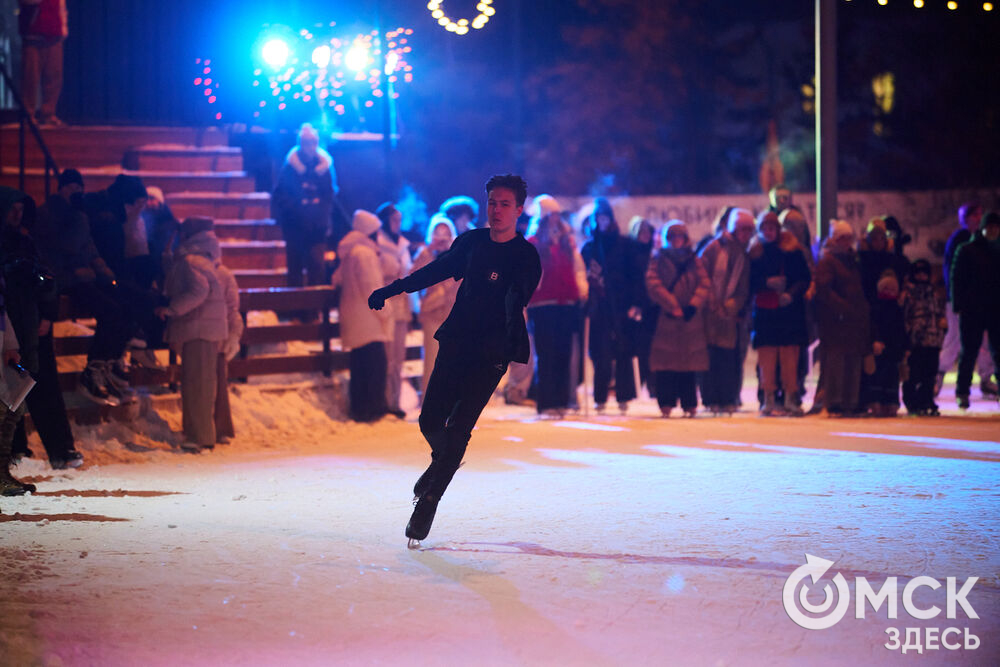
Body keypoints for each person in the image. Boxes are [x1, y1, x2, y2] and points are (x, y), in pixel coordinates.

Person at [368, 174, 541, 546]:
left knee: (460, 426)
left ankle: (428, 503)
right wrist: (394, 289)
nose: (496, 210)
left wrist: (511, 309)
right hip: (457, 342)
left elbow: (519, 296)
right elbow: (435, 271)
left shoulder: (525, 256)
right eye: (492, 202)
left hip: (492, 353)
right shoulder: (472, 243)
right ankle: (440, 466)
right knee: (430, 419)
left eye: (505, 204)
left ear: (519, 210)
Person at [32, 169, 134, 405]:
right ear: (62, 188)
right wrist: (79, 220)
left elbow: (89, 250)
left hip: (83, 277)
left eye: (80, 188)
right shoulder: (48, 214)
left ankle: (110, 362)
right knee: (109, 310)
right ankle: (92, 371)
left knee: (125, 302)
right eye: (72, 188)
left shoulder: (79, 215)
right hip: (64, 280)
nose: (77, 192)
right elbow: (63, 249)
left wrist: (107, 274)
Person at [0, 186, 81, 470]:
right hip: (8, 328)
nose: (16, 216)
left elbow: (48, 281)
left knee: (42, 386)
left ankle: (61, 450)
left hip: (33, 327)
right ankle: (15, 452)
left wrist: (47, 312)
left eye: (21, 211)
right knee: (10, 392)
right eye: (12, 209)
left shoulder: (27, 243)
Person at [155, 218, 229, 452]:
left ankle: (199, 437)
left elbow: (199, 291)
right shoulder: (201, 260)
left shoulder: (191, 261)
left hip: (199, 329)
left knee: (198, 384)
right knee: (201, 384)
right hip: (204, 329)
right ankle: (199, 434)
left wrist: (171, 309)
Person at [581, 197, 644, 414]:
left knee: (623, 352)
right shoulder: (590, 247)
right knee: (601, 354)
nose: (602, 221)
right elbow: (584, 276)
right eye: (599, 218)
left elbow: (635, 275)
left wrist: (635, 302)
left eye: (605, 217)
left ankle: (624, 396)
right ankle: (600, 398)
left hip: (622, 305)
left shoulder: (624, 244)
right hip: (599, 308)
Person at [526, 195, 587, 417]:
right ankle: (546, 402)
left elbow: (577, 267)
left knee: (563, 352)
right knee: (546, 353)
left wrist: (581, 289)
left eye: (556, 215)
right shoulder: (532, 242)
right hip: (542, 303)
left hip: (567, 302)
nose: (554, 220)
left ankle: (562, 400)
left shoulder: (567, 241)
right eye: (550, 216)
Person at [748, 211, 810, 416]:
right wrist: (766, 283)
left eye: (772, 228)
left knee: (789, 359)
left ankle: (791, 397)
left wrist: (791, 294)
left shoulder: (792, 251)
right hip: (766, 313)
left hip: (788, 313)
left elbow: (803, 278)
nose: (769, 232)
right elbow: (749, 282)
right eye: (765, 228)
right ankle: (769, 397)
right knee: (767, 360)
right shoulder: (755, 253)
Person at [646, 220, 710, 418]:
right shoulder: (658, 259)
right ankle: (666, 402)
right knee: (666, 365)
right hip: (668, 319)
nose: (677, 241)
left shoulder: (694, 260)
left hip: (689, 321)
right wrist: (672, 305)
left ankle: (689, 403)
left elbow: (704, 283)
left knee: (688, 365)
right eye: (673, 237)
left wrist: (693, 305)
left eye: (680, 237)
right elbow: (653, 283)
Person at [335, 210, 392, 422]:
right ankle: (374, 408)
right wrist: (386, 311)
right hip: (369, 321)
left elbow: (337, 279)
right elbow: (372, 286)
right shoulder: (364, 254)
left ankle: (360, 408)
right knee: (375, 365)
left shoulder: (352, 252)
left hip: (355, 318)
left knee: (360, 366)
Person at [698, 208, 753, 414]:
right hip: (709, 313)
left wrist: (730, 306)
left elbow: (744, 287)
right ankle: (710, 398)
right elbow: (703, 275)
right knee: (710, 357)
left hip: (729, 315)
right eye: (742, 229)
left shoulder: (744, 254)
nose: (746, 234)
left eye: (749, 230)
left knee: (728, 358)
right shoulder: (714, 247)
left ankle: (727, 397)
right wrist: (712, 302)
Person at [812, 221, 870, 416]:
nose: (846, 242)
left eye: (848, 238)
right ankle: (834, 400)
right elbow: (824, 290)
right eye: (842, 238)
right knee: (836, 361)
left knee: (852, 360)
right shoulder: (828, 261)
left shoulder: (852, 261)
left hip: (852, 320)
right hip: (835, 321)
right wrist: (843, 308)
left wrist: (859, 310)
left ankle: (850, 401)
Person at [938, 202, 996, 397]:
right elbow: (952, 272)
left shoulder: (985, 243)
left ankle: (986, 377)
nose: (978, 220)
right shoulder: (960, 240)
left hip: (981, 303)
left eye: (980, 215)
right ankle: (939, 374)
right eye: (975, 216)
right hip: (962, 302)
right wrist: (956, 299)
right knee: (955, 339)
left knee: (984, 343)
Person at [272, 124, 336, 290]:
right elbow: (281, 195)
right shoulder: (290, 168)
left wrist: (319, 216)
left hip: (317, 229)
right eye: (306, 142)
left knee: (317, 268)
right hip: (295, 227)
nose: (310, 146)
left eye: (313, 142)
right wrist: (298, 210)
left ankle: (313, 312)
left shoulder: (324, 168)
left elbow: (328, 196)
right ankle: (297, 311)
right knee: (295, 269)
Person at [950, 211, 1000, 409]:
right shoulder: (967, 249)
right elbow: (956, 278)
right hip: (973, 309)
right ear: (984, 228)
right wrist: (958, 304)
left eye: (996, 227)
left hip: (995, 309)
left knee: (998, 352)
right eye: (990, 227)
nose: (993, 231)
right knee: (969, 352)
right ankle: (962, 391)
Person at [411, 214, 460, 396]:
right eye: (437, 233)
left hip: (454, 314)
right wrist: (428, 252)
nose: (441, 238)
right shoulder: (425, 255)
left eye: (445, 233)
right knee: (432, 361)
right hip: (432, 313)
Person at [376, 202, 412, 419]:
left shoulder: (403, 245)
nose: (398, 224)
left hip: (403, 305)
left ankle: (395, 400)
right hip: (387, 304)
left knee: (398, 357)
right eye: (394, 220)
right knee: (387, 356)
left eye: (400, 220)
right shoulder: (378, 244)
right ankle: (384, 400)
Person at [901, 259, 946, 416]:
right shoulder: (909, 293)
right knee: (914, 373)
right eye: (918, 273)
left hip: (932, 340)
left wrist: (942, 330)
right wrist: (909, 335)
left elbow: (939, 312)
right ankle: (912, 401)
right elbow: (905, 316)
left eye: (924, 273)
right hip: (916, 340)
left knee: (929, 373)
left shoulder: (933, 293)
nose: (921, 276)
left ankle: (926, 399)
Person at [864, 270, 908, 417]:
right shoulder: (876, 307)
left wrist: (906, 347)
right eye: (886, 289)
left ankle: (891, 403)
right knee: (877, 375)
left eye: (892, 289)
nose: (889, 292)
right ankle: (876, 402)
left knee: (892, 377)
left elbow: (901, 329)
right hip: (880, 349)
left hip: (894, 349)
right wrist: (875, 341)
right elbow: (873, 326)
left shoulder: (897, 308)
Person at [18, 0, 68, 126]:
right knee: (30, 77)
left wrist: (63, 27)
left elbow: (61, 5)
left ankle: (49, 114)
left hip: (55, 32)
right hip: (33, 32)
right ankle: (28, 115)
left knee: (54, 76)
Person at [627, 216, 658, 397]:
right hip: (638, 307)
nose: (645, 235)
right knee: (640, 347)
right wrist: (634, 303)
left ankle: (653, 384)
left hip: (652, 307)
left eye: (648, 232)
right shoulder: (631, 255)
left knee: (653, 347)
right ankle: (639, 384)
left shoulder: (654, 254)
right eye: (641, 232)